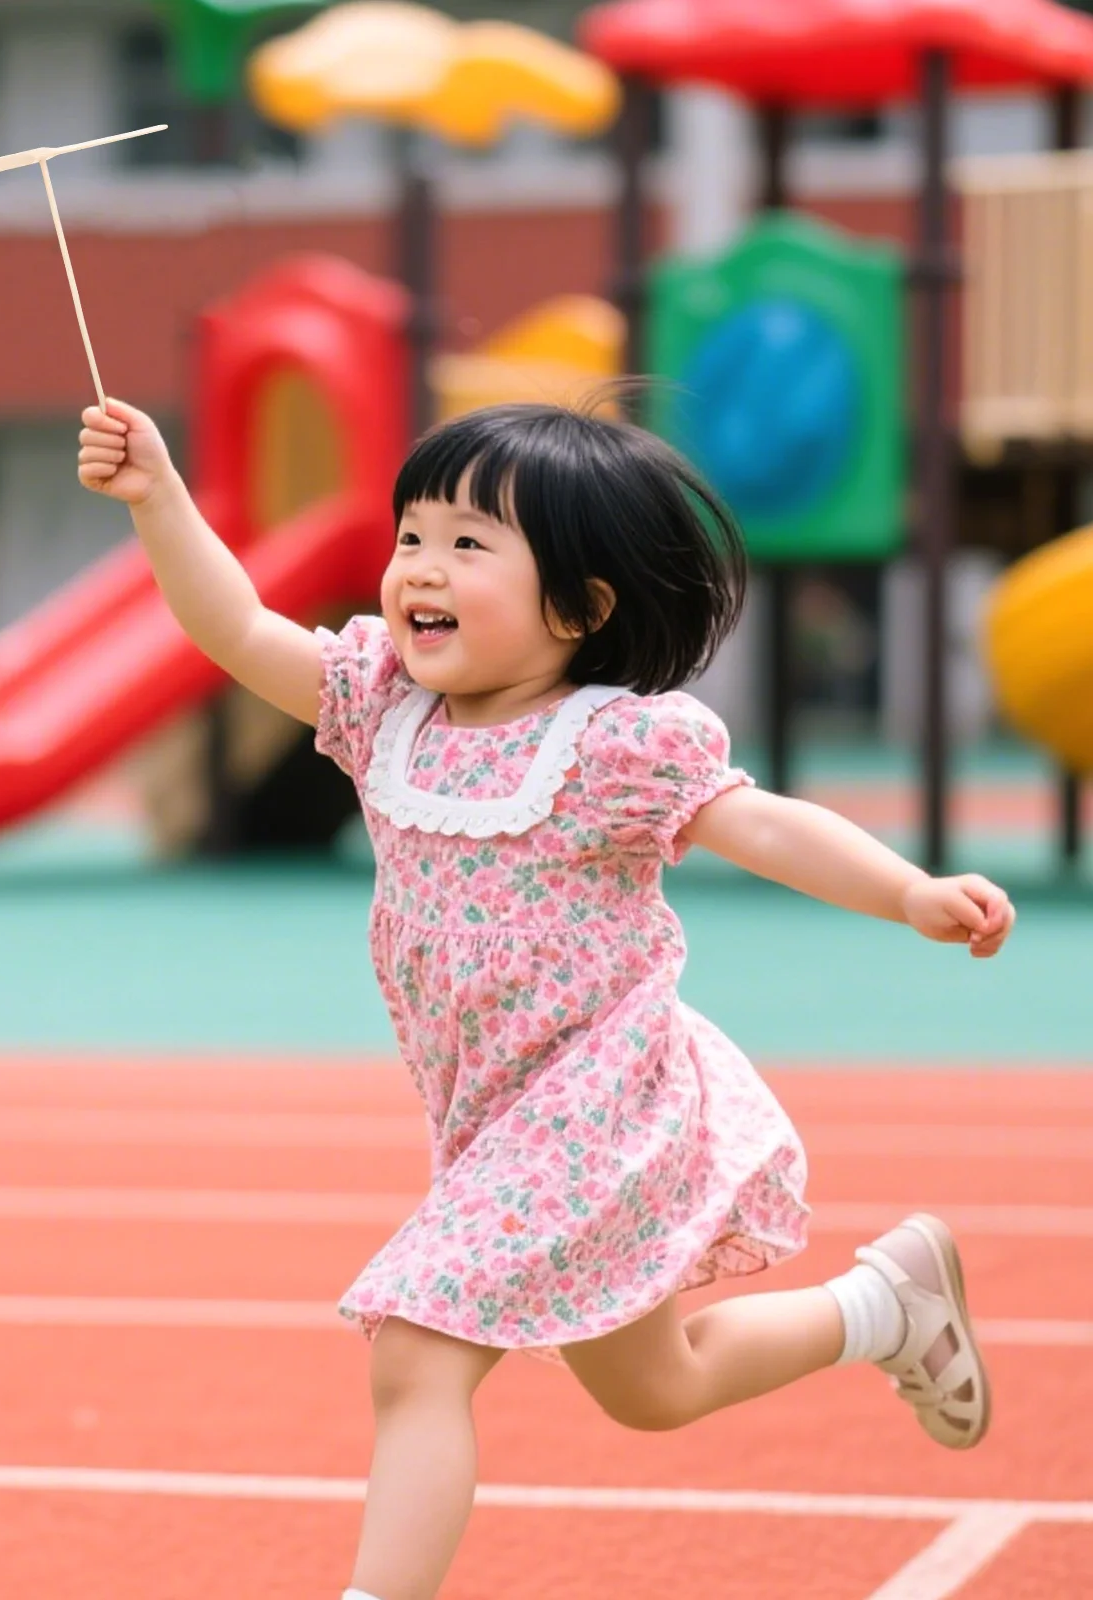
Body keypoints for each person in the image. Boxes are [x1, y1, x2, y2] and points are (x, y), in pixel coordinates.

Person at [78, 398, 1014, 1600]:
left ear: (579, 607)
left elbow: (764, 822)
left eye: (470, 544)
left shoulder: (611, 746)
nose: (421, 566)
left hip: (600, 1101)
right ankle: (883, 1304)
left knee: (419, 1347)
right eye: (413, 534)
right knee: (655, 1387)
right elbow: (237, 629)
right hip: (489, 1114)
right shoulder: (383, 710)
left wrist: (907, 890)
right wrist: (159, 495)